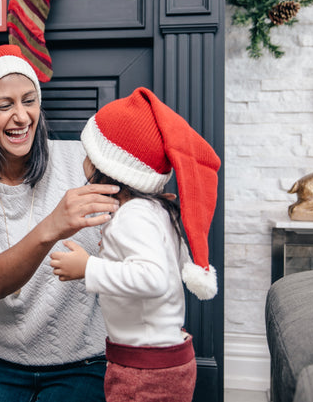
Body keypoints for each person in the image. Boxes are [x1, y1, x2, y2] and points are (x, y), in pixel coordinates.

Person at [0, 45, 120, 402]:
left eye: (29, 100)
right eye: (5, 106)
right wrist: (52, 225)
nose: (22, 117)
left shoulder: (81, 162)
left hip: (86, 359)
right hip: (3, 362)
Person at [49, 87, 221, 402]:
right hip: (167, 359)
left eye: (89, 153)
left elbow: (153, 278)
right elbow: (169, 265)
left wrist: (88, 267)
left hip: (144, 370)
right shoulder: (157, 209)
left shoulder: (132, 217)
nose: (83, 160)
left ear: (108, 167)